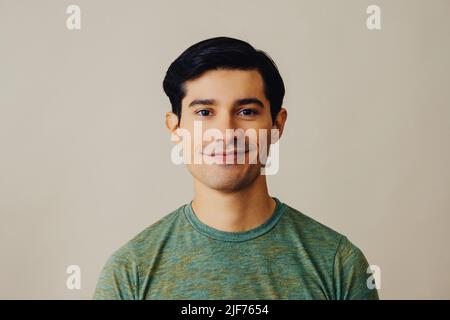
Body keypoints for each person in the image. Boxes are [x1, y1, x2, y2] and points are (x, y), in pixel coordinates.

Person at [93, 37, 379, 300]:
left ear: (277, 125)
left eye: (246, 112)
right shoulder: (129, 273)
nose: (226, 132)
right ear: (176, 127)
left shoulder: (338, 265)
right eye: (204, 113)